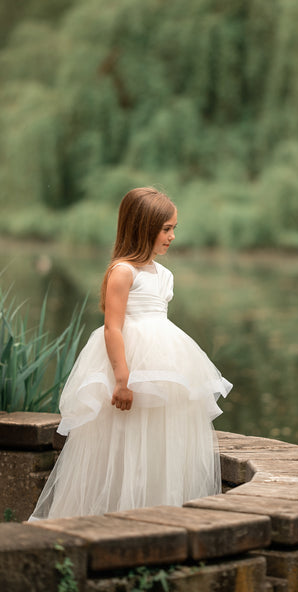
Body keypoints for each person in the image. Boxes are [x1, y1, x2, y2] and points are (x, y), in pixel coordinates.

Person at [29, 187, 232, 520]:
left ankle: (157, 512)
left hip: (163, 359)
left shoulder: (164, 275)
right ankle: (113, 516)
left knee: (158, 434)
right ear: (143, 227)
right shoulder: (123, 271)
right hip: (128, 361)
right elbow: (113, 327)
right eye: (166, 228)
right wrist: (122, 377)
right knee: (122, 436)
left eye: (173, 228)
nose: (172, 236)